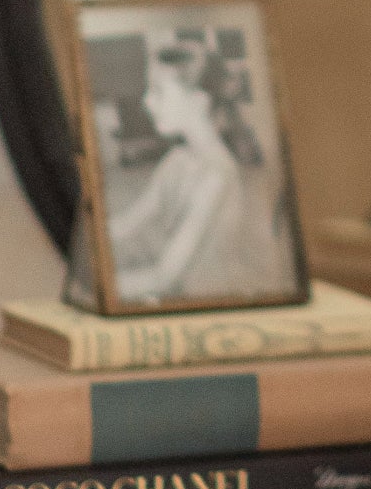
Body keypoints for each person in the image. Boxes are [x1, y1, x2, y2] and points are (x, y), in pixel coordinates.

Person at [106, 37, 262, 304]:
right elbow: (126, 225)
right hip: (179, 296)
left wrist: (98, 286)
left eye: (158, 91)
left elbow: (165, 278)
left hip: (214, 303)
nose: (146, 102)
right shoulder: (177, 160)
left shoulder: (217, 175)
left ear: (199, 101)